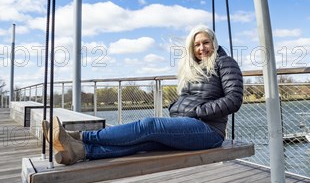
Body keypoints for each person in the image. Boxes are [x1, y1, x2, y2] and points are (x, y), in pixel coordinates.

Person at [42, 25, 244, 165]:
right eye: (197, 45)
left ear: (214, 43)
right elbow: (185, 99)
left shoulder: (224, 63)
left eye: (205, 43)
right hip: (188, 126)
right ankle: (79, 152)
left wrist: (199, 111)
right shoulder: (193, 69)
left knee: (148, 125)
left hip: (209, 131)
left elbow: (234, 99)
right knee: (145, 143)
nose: (202, 48)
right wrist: (175, 107)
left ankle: (80, 136)